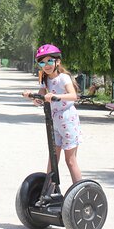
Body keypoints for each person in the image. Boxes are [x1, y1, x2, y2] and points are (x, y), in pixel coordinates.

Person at [22, 44, 83, 183]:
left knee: (70, 160)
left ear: (57, 62)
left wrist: (56, 96)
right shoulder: (45, 79)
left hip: (68, 121)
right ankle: (47, 193)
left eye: (50, 61)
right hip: (54, 122)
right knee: (53, 158)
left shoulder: (63, 78)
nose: (46, 65)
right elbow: (41, 97)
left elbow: (73, 96)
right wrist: (33, 97)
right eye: (42, 62)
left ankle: (80, 192)